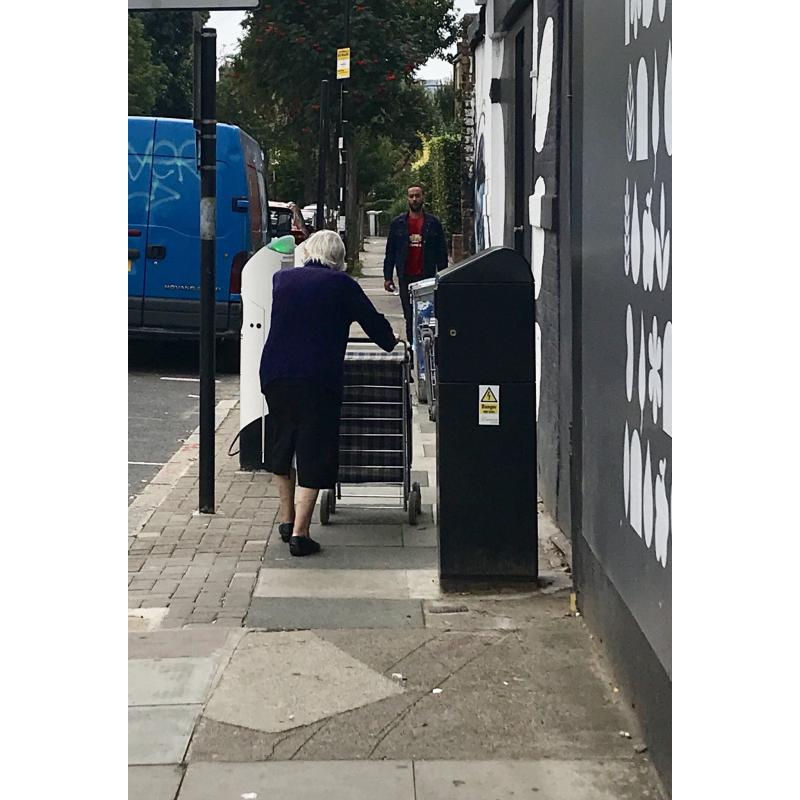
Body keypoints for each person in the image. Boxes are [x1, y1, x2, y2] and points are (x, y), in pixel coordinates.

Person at [260, 229, 398, 556]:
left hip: (275, 373)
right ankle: (300, 534)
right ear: (338, 258)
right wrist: (392, 343)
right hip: (316, 379)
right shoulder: (342, 285)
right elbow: (373, 322)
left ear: (308, 252)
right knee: (313, 448)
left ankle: (286, 519)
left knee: (283, 443)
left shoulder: (283, 280)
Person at [383, 185, 449, 345]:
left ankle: (427, 349)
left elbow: (441, 253)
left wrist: (444, 276)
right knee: (409, 315)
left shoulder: (433, 224)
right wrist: (387, 277)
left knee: (426, 315)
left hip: (426, 276)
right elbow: (390, 251)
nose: (414, 199)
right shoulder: (398, 224)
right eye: (411, 196)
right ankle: (413, 348)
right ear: (408, 198)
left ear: (423, 197)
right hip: (406, 276)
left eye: (417, 196)